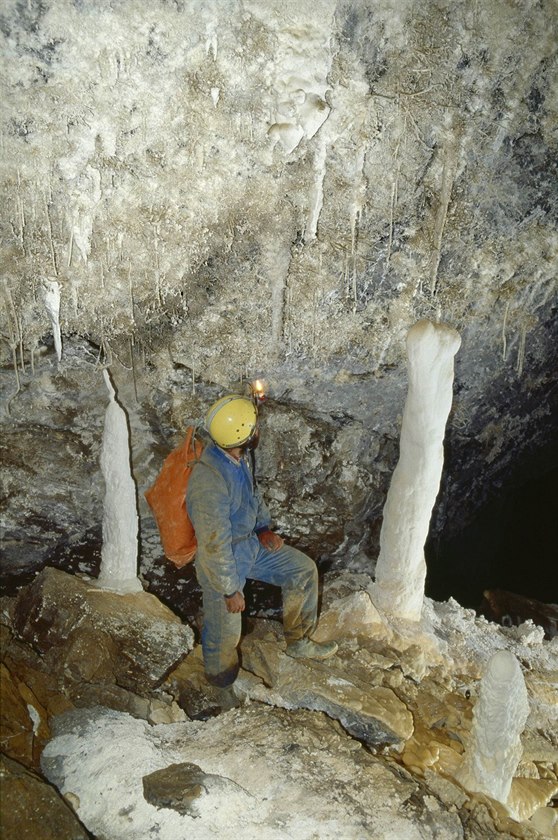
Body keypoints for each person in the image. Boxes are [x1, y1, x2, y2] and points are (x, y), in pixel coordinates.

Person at [186, 394, 338, 689]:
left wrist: (263, 526)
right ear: (242, 434)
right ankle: (220, 684)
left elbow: (252, 495)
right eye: (254, 427)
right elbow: (213, 544)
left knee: (302, 570)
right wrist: (230, 590)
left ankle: (299, 641)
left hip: (250, 544)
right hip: (222, 562)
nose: (258, 430)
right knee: (225, 633)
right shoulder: (209, 481)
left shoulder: (237, 456)